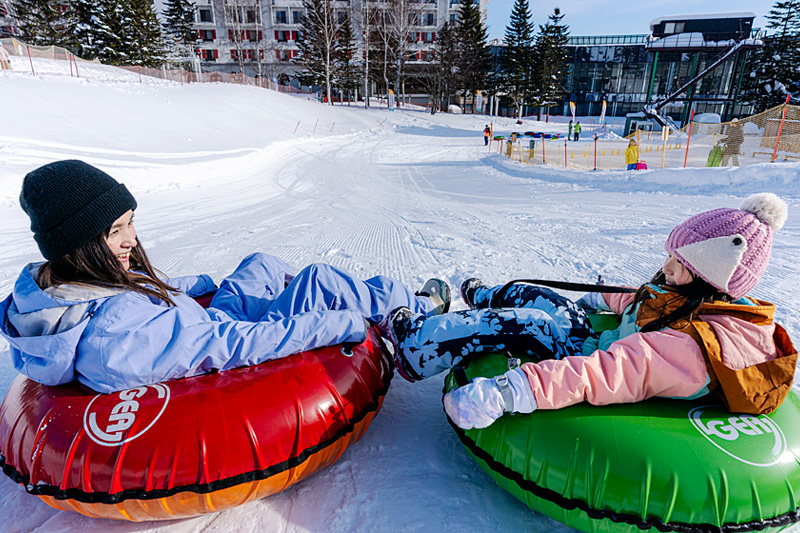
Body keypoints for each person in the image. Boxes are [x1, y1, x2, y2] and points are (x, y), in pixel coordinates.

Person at [0, 160, 451, 394]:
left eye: (130, 221)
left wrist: (196, 288)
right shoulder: (116, 339)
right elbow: (232, 346)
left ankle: (335, 295)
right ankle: (410, 310)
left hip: (202, 323)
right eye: (116, 230)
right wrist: (347, 326)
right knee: (318, 281)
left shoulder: (73, 290)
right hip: (221, 335)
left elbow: (156, 310)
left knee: (260, 264)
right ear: (75, 245)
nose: (131, 241)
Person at [385, 193, 796, 429]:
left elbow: (604, 374)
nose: (666, 266)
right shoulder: (701, 299)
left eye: (678, 262)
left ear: (709, 277)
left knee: (529, 324)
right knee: (545, 297)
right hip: (606, 338)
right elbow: (645, 299)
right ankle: (489, 295)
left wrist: (510, 391)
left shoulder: (691, 350)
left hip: (595, 356)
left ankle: (415, 346)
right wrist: (600, 299)